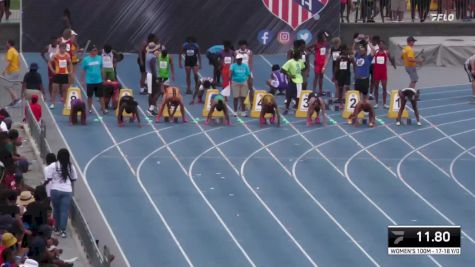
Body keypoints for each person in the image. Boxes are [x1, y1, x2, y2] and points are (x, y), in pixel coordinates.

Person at [45, 149, 77, 238]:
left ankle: (56, 228)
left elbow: (48, 179)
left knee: (56, 209)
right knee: (64, 211)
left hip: (55, 190)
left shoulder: (53, 165)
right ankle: (63, 230)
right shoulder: (70, 166)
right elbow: (74, 179)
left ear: (58, 156)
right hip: (67, 190)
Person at [81, 45, 105, 114]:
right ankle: (90, 109)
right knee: (90, 96)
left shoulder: (100, 58)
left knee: (101, 96)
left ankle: (103, 109)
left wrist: (103, 78)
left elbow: (102, 68)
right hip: (90, 81)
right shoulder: (86, 59)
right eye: (94, 50)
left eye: (96, 50)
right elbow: (83, 70)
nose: (95, 52)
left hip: (98, 81)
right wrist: (82, 80)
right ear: (90, 51)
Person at [373, 42, 396, 109]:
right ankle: (376, 103)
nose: (381, 45)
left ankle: (384, 103)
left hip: (383, 73)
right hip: (376, 72)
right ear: (378, 45)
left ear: (384, 45)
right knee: (376, 87)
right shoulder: (375, 52)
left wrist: (393, 65)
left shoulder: (386, 52)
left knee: (384, 88)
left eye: (382, 44)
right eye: (380, 44)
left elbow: (391, 59)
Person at [48, 43, 71, 109]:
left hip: (64, 74)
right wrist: (52, 70)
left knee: (64, 89)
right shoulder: (55, 55)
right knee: (55, 89)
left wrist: (70, 71)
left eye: (64, 48)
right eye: (62, 48)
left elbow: (69, 63)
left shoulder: (67, 55)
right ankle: (52, 103)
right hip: (57, 74)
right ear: (60, 48)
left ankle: (64, 103)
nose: (63, 50)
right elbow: (49, 62)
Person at [281, 50, 305, 115]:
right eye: (299, 55)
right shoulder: (290, 62)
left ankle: (297, 108)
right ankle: (286, 109)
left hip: (299, 81)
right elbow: (282, 70)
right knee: (288, 96)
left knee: (298, 96)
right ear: (296, 55)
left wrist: (300, 73)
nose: (300, 56)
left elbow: (303, 68)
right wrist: (289, 75)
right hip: (292, 81)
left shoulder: (301, 62)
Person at [353, 36, 376, 101]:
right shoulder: (357, 56)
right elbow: (352, 50)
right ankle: (359, 109)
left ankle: (365, 109)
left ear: (365, 51)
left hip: (364, 80)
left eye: (362, 50)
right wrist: (355, 42)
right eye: (360, 50)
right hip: (357, 80)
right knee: (357, 96)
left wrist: (368, 42)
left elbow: (373, 51)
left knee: (365, 96)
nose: (361, 51)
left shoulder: (368, 58)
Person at [2, 40, 21, 107]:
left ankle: (16, 99)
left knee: (7, 85)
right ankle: (13, 101)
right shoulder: (15, 51)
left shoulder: (10, 51)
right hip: (16, 70)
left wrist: (3, 70)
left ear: (9, 44)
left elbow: (8, 62)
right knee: (11, 86)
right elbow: (19, 61)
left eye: (7, 43)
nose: (6, 44)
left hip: (13, 71)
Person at [41, 37, 59, 103]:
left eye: (56, 42)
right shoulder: (48, 47)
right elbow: (42, 53)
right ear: (51, 42)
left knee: (59, 80)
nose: (55, 43)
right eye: (53, 42)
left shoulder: (59, 47)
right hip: (51, 65)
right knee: (51, 81)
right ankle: (51, 96)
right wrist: (46, 60)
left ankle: (61, 95)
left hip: (58, 65)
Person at [145, 43, 160, 116]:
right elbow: (153, 69)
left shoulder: (148, 56)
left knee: (151, 92)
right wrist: (156, 78)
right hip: (151, 75)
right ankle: (150, 109)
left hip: (148, 74)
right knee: (158, 91)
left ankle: (151, 108)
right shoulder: (153, 57)